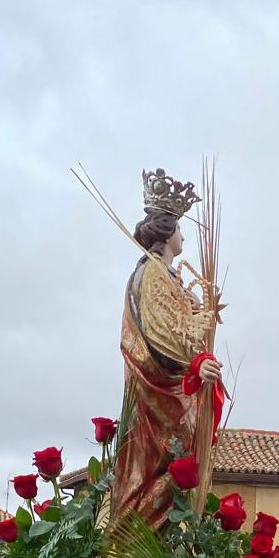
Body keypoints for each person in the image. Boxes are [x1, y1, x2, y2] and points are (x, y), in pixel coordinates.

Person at [111, 167, 223, 531]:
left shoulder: (169, 276)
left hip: (172, 388)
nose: (184, 237)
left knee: (177, 461)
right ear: (167, 231)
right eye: (180, 229)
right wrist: (194, 365)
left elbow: (184, 326)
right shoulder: (152, 274)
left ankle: (158, 534)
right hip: (157, 390)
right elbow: (159, 336)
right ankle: (132, 535)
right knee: (162, 460)